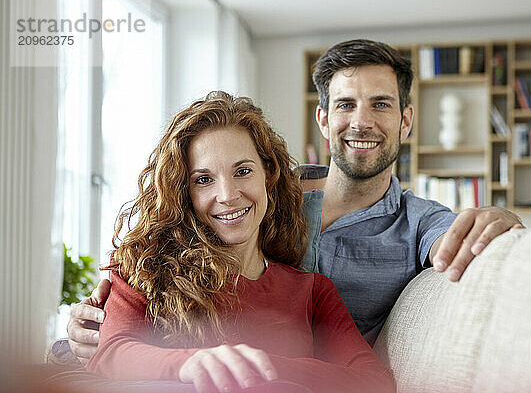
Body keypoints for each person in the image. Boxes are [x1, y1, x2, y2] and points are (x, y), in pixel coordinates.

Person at [64, 39, 523, 361]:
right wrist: (89, 327)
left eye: (380, 104)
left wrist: (501, 220)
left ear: (406, 119)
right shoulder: (257, 187)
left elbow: (460, 235)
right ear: (323, 119)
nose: (361, 122)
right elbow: (160, 244)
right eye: (346, 105)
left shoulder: (418, 223)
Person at [75, 91, 395, 393]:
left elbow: (373, 382)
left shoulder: (313, 290)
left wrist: (261, 365)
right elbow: (111, 352)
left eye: (242, 171)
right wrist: (190, 362)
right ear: (183, 191)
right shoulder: (146, 266)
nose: (227, 195)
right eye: (203, 180)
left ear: (268, 174)